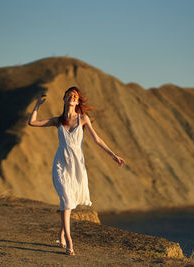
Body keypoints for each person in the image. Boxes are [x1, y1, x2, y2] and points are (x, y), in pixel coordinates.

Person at [28, 86, 125, 256]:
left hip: (77, 166)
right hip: (60, 164)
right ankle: (69, 241)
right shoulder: (57, 121)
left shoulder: (83, 119)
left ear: (78, 101)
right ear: (64, 99)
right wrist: (37, 105)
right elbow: (32, 123)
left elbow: (97, 139)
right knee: (66, 198)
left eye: (75, 96)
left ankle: (61, 232)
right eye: (68, 95)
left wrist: (113, 155)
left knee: (69, 203)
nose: (72, 97)